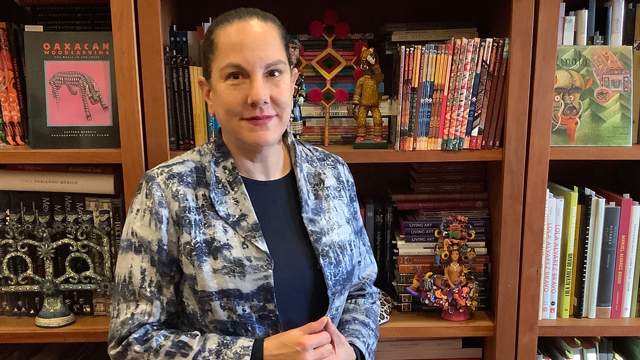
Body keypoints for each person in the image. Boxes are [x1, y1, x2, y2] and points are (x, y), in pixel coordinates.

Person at [107, 7, 380, 360]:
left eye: (273, 73)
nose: (259, 95)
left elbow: (362, 292)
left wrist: (353, 352)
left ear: (293, 81)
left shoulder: (332, 173)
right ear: (208, 92)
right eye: (236, 76)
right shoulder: (167, 190)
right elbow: (131, 340)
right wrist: (256, 354)